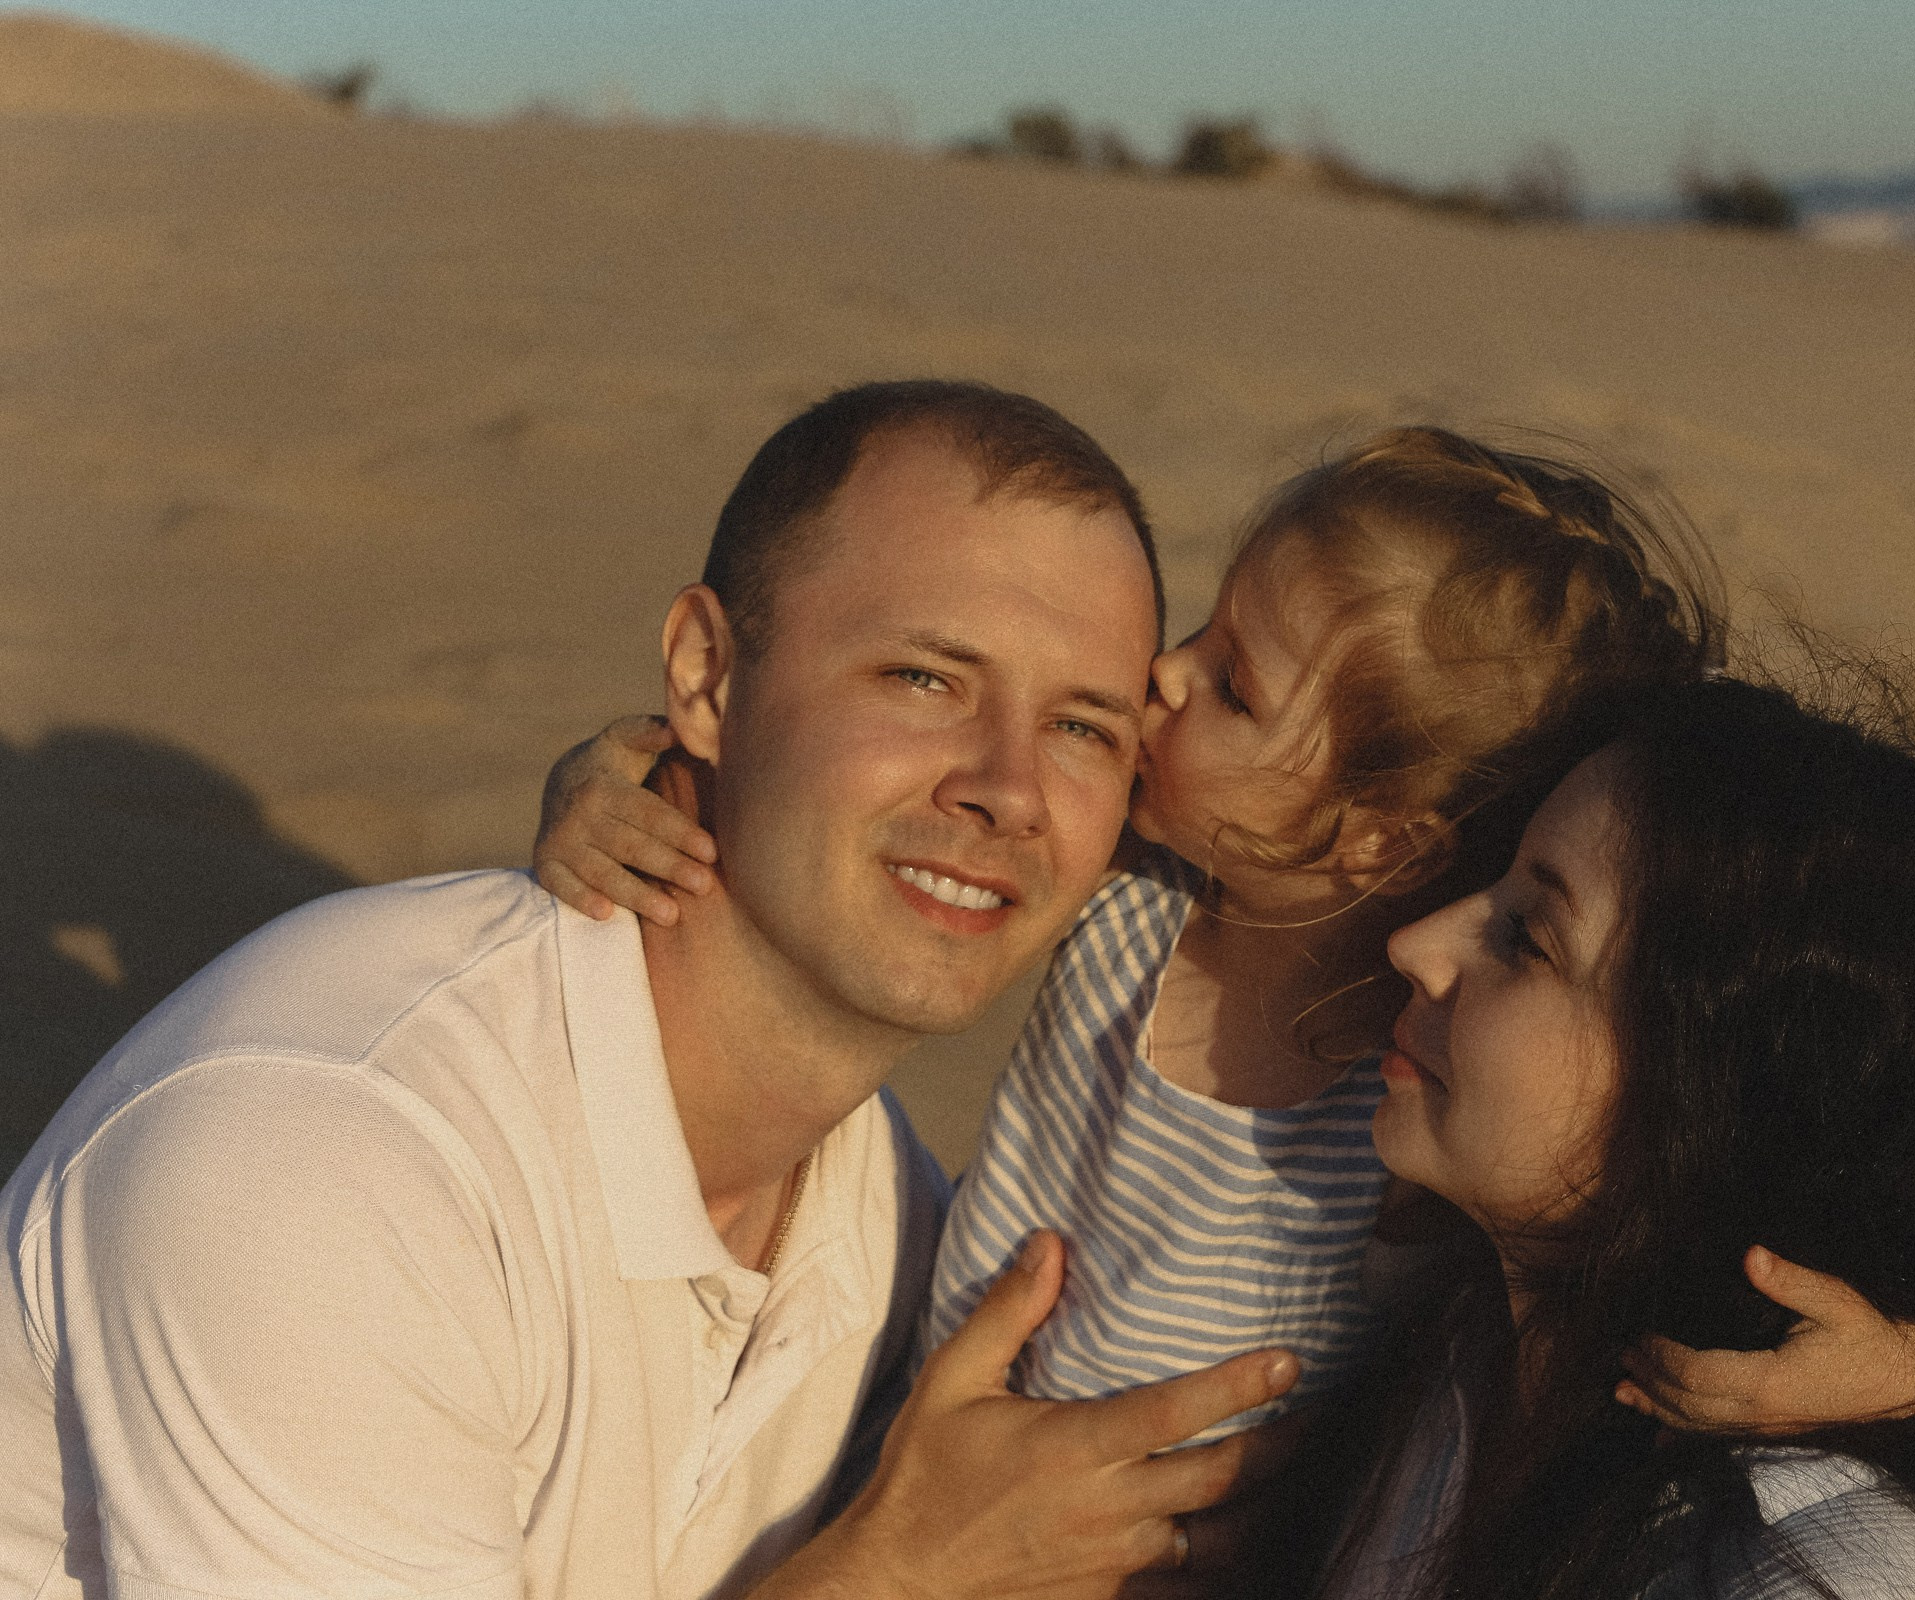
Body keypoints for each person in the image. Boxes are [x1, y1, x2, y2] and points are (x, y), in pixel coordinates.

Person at [0, 381, 1301, 1600]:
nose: (1008, 788)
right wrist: (900, 1571)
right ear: (704, 678)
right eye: (925, 679)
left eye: (1082, 725)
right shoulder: (330, 1157)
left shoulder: (892, 1226)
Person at [536, 429, 1915, 1539]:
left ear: (1380, 834)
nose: (1158, 674)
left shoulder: (1416, 1073)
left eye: (1235, 685)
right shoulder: (1128, 887)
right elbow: (835, 830)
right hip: (915, 1462)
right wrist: (622, 782)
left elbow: (1648, 1252)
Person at [1318, 673, 1915, 1600]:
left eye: (1529, 936)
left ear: (1712, 1097)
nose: (1417, 945)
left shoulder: (1807, 1570)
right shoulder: (1473, 1342)